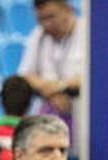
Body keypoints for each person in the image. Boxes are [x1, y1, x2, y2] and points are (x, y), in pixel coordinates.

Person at [17, 0, 83, 141]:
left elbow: (91, 78)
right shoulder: (38, 34)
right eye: (41, 19)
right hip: (49, 111)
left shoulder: (87, 32)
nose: (46, 24)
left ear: (68, 9)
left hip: (81, 112)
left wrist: (61, 86)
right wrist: (50, 92)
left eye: (51, 17)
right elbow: (26, 74)